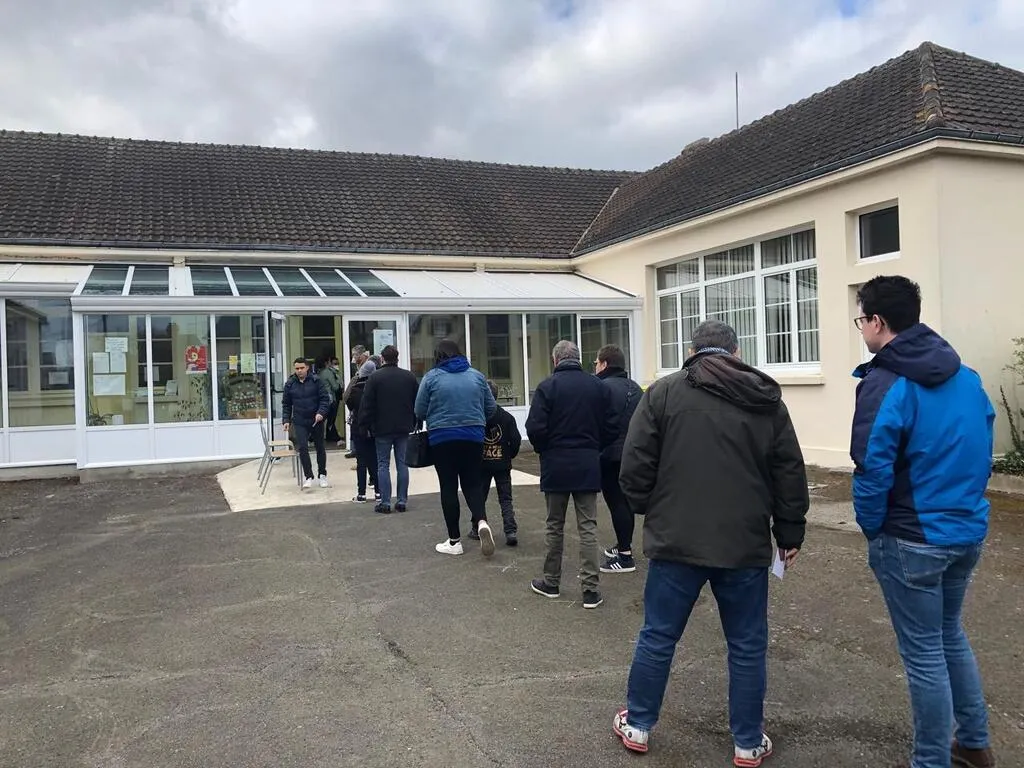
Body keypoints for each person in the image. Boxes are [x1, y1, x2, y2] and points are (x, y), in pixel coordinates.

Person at [612, 320, 808, 766]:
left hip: (675, 540)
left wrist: (650, 508)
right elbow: (788, 470)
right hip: (744, 543)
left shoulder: (663, 394)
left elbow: (634, 464)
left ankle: (638, 723)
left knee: (659, 635)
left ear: (691, 351)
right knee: (747, 645)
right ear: (736, 352)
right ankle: (747, 741)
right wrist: (789, 532)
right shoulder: (765, 398)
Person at [852, 275, 996, 768]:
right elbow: (981, 449)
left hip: (911, 537)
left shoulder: (885, 383)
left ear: (878, 321)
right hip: (964, 530)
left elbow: (871, 468)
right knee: (949, 635)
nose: (861, 330)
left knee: (924, 653)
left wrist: (874, 529)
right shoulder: (967, 377)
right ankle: (973, 743)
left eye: (861, 320)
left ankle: (932, 761)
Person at [526, 339, 614, 610]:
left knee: (555, 525)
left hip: (556, 464)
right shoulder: (598, 387)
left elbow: (534, 428)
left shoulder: (547, 387)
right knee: (588, 526)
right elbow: (611, 425)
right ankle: (590, 590)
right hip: (587, 462)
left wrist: (545, 449)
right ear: (578, 358)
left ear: (555, 360)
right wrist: (595, 447)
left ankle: (551, 582)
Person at [415, 339, 497, 557]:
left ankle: (454, 542)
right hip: (473, 437)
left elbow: (419, 410)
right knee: (472, 483)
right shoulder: (477, 376)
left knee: (448, 487)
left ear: (438, 356)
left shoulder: (431, 377)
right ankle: (481, 522)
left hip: (442, 438)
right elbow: (491, 408)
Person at [593, 344, 644, 574]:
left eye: (596, 363)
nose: (595, 367)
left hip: (609, 454)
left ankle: (625, 556)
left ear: (604, 364)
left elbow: (597, 421)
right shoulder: (635, 388)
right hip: (634, 453)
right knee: (625, 502)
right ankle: (623, 544)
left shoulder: (602, 388)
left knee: (617, 503)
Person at [359, 345, 420, 514]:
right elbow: (417, 401)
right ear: (397, 358)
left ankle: (385, 502)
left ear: (382, 359)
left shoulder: (375, 378)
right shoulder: (409, 377)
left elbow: (367, 404)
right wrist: (417, 421)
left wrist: (364, 425)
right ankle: (402, 500)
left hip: (382, 427)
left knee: (383, 464)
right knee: (402, 463)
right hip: (403, 426)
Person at [473, 379, 522, 546]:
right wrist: (509, 455)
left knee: (480, 497)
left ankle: (477, 527)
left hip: (482, 464)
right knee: (506, 498)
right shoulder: (507, 417)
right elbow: (515, 440)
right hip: (502, 464)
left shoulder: (477, 417)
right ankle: (510, 530)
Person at [282, 357, 331, 490]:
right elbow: (286, 404)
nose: (299, 371)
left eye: (302, 368)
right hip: (300, 421)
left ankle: (322, 475)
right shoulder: (290, 384)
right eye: (297, 368)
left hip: (316, 420)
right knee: (303, 447)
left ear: (307, 368)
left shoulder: (316, 381)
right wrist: (286, 420)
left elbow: (324, 399)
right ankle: (308, 476)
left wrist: (321, 413)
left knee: (320, 447)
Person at [345, 359, 380, 504]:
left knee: (361, 461)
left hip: (359, 428)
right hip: (374, 428)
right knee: (375, 460)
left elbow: (348, 402)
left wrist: (355, 379)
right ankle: (378, 492)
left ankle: (361, 494)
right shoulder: (377, 388)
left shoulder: (356, 389)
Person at [342, 345, 370, 458]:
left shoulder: (367, 366)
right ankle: (354, 449)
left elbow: (346, 395)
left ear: (361, 355)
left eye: (355, 355)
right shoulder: (359, 366)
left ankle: (358, 451)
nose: (353, 358)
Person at [319, 355, 343, 445]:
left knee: (326, 418)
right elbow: (335, 387)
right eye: (334, 363)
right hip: (331, 399)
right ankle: (335, 438)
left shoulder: (320, 372)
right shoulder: (328, 372)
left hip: (324, 398)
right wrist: (339, 382)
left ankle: (330, 436)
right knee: (330, 419)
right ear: (327, 363)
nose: (336, 365)